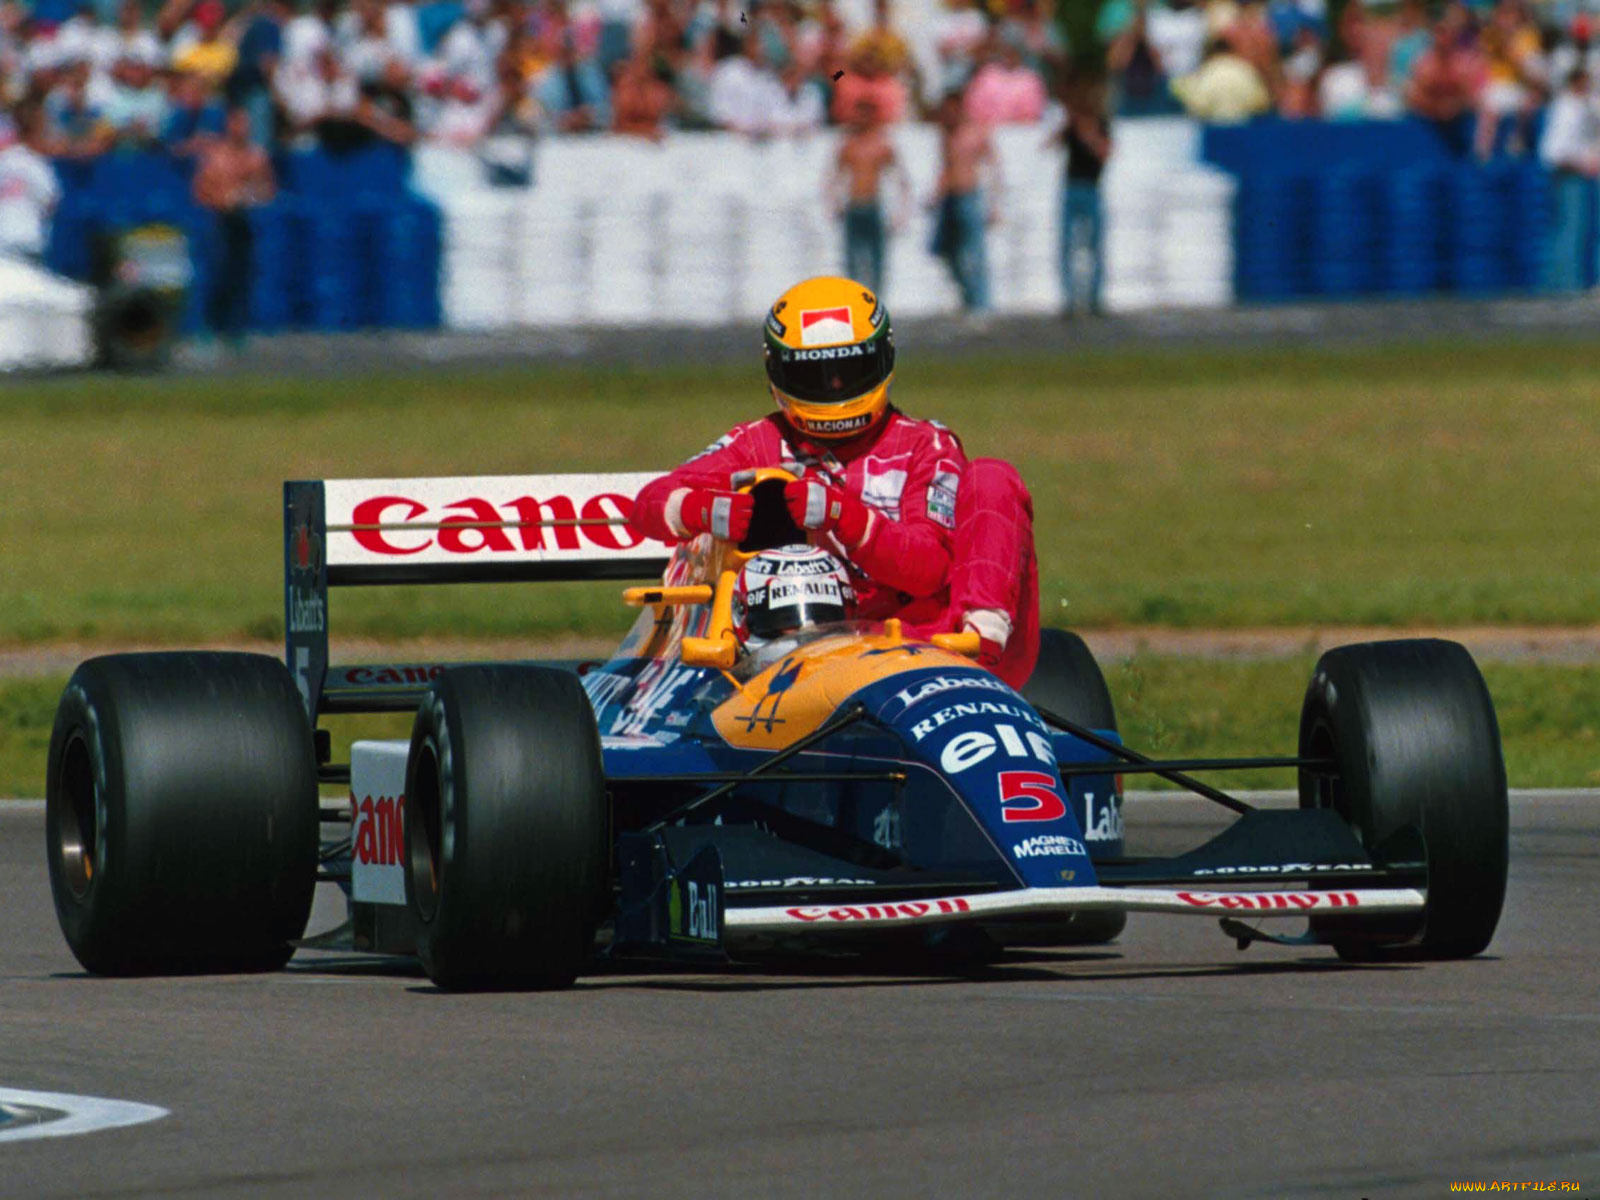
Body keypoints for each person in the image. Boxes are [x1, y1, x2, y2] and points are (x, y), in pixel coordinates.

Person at [632, 275, 1040, 687]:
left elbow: (928, 570)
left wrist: (842, 515)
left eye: (851, 369)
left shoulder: (928, 445)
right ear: (778, 373)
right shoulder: (758, 442)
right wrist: (703, 509)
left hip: (932, 645)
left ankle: (984, 641)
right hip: (797, 647)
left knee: (993, 477)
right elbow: (647, 505)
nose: (835, 388)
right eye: (815, 376)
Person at [192, 104, 274, 345]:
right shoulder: (215, 156)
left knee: (242, 274)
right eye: (236, 123)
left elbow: (268, 189)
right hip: (219, 221)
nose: (241, 129)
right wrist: (223, 200)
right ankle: (209, 326)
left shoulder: (257, 156)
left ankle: (235, 329)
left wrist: (250, 196)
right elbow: (200, 191)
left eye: (245, 124)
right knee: (218, 272)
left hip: (244, 220)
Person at [828, 97, 909, 296]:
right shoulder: (848, 146)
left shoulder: (882, 145)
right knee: (852, 261)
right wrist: (834, 203)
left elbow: (901, 181)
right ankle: (856, 305)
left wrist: (900, 214)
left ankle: (877, 304)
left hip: (874, 205)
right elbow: (834, 178)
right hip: (854, 206)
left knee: (877, 262)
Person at [928, 90, 998, 316]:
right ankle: (969, 296)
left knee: (975, 252)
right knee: (945, 250)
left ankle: (981, 304)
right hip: (950, 197)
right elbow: (946, 168)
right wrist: (936, 194)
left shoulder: (975, 133)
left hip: (970, 195)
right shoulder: (946, 135)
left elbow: (993, 168)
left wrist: (993, 203)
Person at [1539, 65, 1600, 292]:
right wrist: (1583, 163)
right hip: (1569, 176)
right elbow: (1555, 152)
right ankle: (1565, 284)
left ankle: (1566, 282)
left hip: (1579, 175)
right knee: (1570, 230)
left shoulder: (1581, 106)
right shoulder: (1566, 109)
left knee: (1575, 229)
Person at [1054, 71, 1110, 315]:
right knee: (1068, 246)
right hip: (1071, 188)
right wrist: (1070, 126)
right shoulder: (1070, 126)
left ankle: (1095, 298)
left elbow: (1106, 153)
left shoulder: (1101, 125)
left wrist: (1088, 134)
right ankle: (1069, 298)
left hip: (1092, 188)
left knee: (1095, 246)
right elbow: (1050, 143)